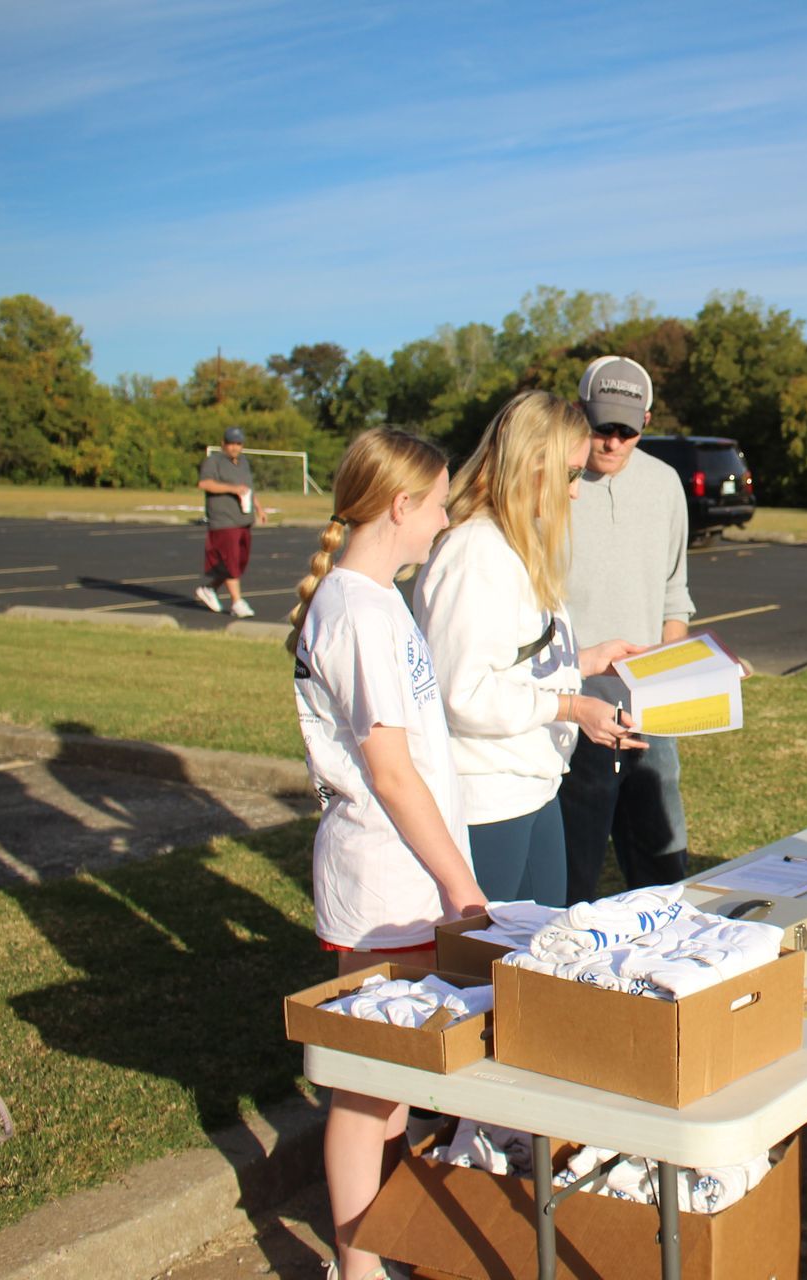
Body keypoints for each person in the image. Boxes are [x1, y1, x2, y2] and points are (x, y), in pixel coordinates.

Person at [285, 427, 487, 1280]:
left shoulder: (373, 597)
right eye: (439, 504)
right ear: (401, 507)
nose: (445, 520)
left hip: (401, 879)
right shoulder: (359, 610)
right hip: (386, 884)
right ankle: (357, 1267)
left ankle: (385, 1247)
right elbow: (392, 774)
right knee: (367, 1089)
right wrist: (461, 885)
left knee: (395, 1077)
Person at [414, 391, 647, 907]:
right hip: (490, 794)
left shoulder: (512, 543)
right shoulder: (475, 552)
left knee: (537, 957)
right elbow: (464, 693)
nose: (576, 493)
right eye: (569, 474)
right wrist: (571, 706)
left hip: (533, 783)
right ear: (529, 464)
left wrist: (587, 661)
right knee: (493, 973)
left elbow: (516, 660)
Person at [560, 356, 697, 904]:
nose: (613, 443)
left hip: (649, 713)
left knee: (663, 873)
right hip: (572, 710)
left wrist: (677, 674)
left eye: (628, 431)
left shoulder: (665, 485)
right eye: (601, 427)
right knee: (570, 879)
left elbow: (674, 592)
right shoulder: (551, 486)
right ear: (576, 412)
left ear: (647, 419)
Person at [196, 427, 266, 617]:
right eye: (231, 443)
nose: (235, 447)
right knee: (230, 559)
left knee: (238, 562)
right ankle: (237, 602)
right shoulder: (214, 461)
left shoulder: (243, 462)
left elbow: (249, 488)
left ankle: (209, 589)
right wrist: (232, 489)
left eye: (238, 443)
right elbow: (204, 483)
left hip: (243, 519)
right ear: (223, 444)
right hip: (223, 520)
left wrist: (259, 508)